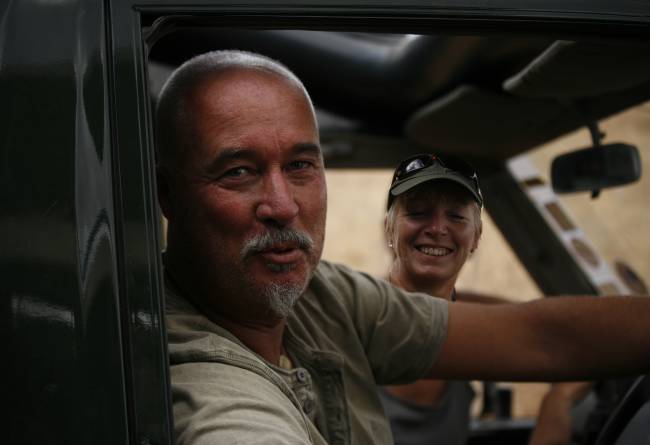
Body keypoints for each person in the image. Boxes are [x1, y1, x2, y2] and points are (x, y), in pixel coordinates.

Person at [155, 49, 650, 445]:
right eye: (239, 172)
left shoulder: (324, 298)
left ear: (477, 236)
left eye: (301, 165)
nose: (282, 206)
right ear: (166, 196)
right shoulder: (205, 386)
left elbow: (539, 335)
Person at [377, 154, 593, 445]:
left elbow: (544, 328)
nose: (438, 228)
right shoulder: (354, 317)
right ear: (390, 228)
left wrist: (559, 398)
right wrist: (560, 401)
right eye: (417, 212)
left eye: (456, 216)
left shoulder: (466, 325)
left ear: (476, 236)